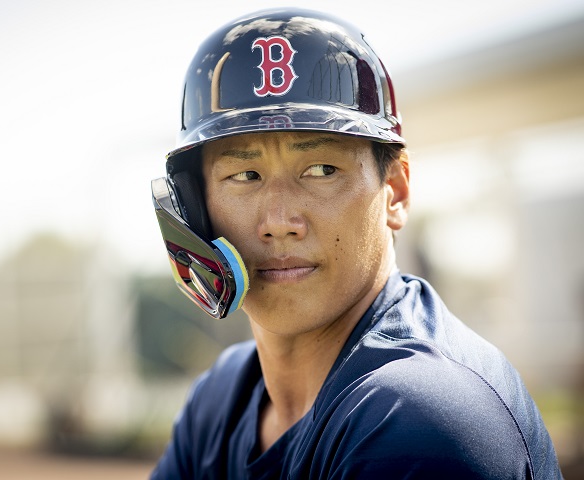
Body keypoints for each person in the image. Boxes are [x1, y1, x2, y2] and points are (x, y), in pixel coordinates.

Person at [149, 7, 562, 479]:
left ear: (395, 192)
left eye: (322, 170)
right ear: (195, 208)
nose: (280, 222)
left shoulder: (419, 416)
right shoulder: (220, 397)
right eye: (245, 175)